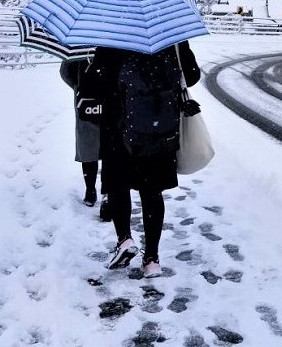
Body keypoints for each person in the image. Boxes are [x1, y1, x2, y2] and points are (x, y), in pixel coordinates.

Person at [81, 40, 200, 278]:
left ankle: (124, 239)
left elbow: (94, 84)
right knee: (152, 192)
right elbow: (192, 75)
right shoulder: (170, 34)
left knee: (117, 185)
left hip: (120, 127)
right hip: (161, 127)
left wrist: (92, 69)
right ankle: (152, 259)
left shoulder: (113, 37)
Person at [59, 58, 104, 211]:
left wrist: (78, 86)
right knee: (111, 147)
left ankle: (90, 190)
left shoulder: (79, 42)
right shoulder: (114, 38)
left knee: (88, 146)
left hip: (86, 101)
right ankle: (109, 192)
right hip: (111, 100)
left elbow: (65, 72)